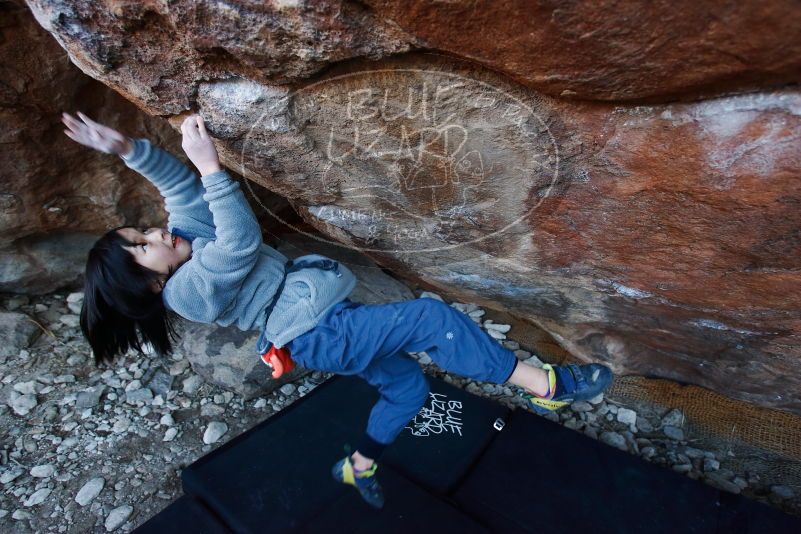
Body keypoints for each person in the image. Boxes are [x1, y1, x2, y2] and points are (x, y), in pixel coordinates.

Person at [64, 110, 614, 509]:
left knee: (408, 390)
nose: (155, 233)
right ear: (153, 285)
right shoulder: (188, 292)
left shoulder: (185, 241)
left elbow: (179, 193)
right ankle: (548, 387)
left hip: (323, 325)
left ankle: (357, 467)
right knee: (433, 320)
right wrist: (213, 169)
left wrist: (126, 150)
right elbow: (237, 243)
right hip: (320, 333)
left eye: (140, 232)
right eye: (142, 246)